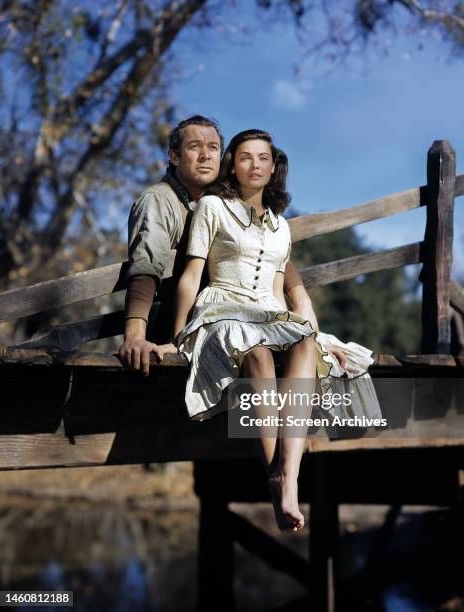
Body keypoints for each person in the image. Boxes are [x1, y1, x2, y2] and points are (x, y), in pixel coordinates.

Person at [155, 129, 380, 532]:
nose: (255, 165)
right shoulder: (212, 207)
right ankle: (278, 476)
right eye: (245, 157)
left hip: (266, 312)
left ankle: (285, 474)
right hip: (223, 304)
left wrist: (318, 336)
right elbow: (191, 276)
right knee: (256, 354)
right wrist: (178, 337)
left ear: (274, 166)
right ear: (233, 165)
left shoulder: (282, 228)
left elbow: (277, 294)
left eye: (263, 158)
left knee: (308, 347)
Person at [118, 116, 338, 376]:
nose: (205, 155)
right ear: (175, 157)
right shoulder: (160, 201)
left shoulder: (229, 202)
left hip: (243, 317)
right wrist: (134, 336)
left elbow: (271, 255)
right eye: (194, 147)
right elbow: (146, 267)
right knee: (257, 352)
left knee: (305, 349)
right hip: (174, 325)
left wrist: (300, 298)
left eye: (213, 148)